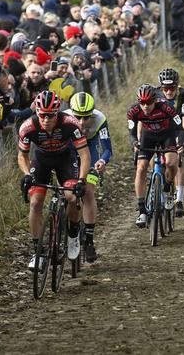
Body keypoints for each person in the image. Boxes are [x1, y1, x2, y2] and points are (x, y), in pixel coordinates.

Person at [18, 91, 90, 269]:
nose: (46, 119)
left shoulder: (70, 124)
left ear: (57, 112)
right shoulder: (28, 127)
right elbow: (22, 156)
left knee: (71, 197)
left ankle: (73, 234)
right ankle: (38, 253)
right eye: (42, 115)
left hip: (65, 159)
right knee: (35, 203)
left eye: (50, 115)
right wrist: (27, 174)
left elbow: (84, 153)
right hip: (41, 160)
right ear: (37, 113)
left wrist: (81, 180)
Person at [127, 84, 184, 228]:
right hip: (148, 137)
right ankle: (142, 211)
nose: (145, 106)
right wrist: (135, 142)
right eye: (142, 103)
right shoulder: (133, 112)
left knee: (172, 163)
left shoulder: (167, 107)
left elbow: (180, 129)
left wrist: (181, 143)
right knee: (141, 169)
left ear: (155, 100)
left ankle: (167, 188)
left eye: (149, 103)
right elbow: (132, 133)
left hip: (167, 135)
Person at [65, 92, 113, 262]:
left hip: (90, 151)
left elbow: (107, 149)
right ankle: (71, 227)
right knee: (68, 194)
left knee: (88, 192)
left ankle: (89, 241)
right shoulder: (64, 118)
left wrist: (102, 160)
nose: (82, 122)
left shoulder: (100, 119)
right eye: (78, 117)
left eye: (86, 117)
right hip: (69, 153)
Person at [157, 68, 184, 217]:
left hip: (176, 130)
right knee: (154, 158)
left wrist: (181, 141)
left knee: (180, 158)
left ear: (177, 86)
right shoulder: (155, 95)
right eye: (165, 88)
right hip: (158, 129)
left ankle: (179, 198)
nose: (169, 91)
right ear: (161, 87)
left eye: (172, 88)